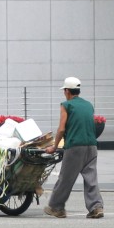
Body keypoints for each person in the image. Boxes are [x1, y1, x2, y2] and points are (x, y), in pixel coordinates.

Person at [43, 77, 104, 219]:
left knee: (66, 178)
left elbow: (61, 129)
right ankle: (96, 207)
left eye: (64, 90)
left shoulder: (66, 105)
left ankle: (56, 207)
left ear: (67, 91)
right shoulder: (88, 105)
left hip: (75, 146)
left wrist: (54, 147)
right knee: (91, 178)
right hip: (92, 146)